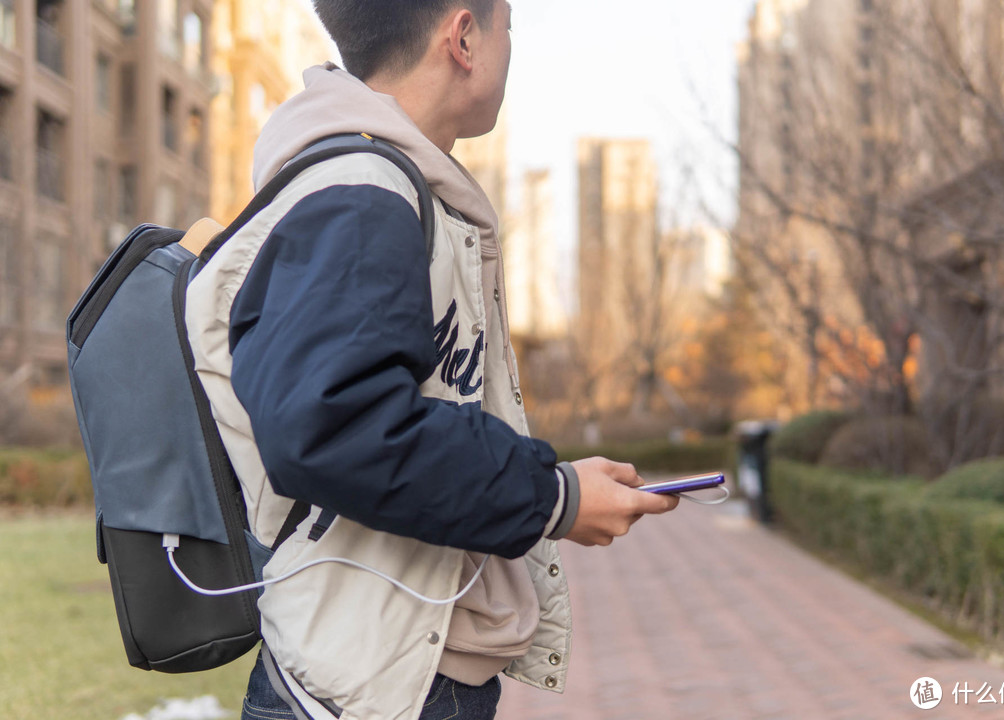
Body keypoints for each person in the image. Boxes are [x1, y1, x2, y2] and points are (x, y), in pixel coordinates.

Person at [185, 2, 679, 718]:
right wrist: (554, 496)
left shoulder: (387, 184)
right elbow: (334, 426)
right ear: (464, 36)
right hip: (368, 693)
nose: (513, 49)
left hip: (392, 674)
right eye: (508, 25)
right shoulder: (359, 191)